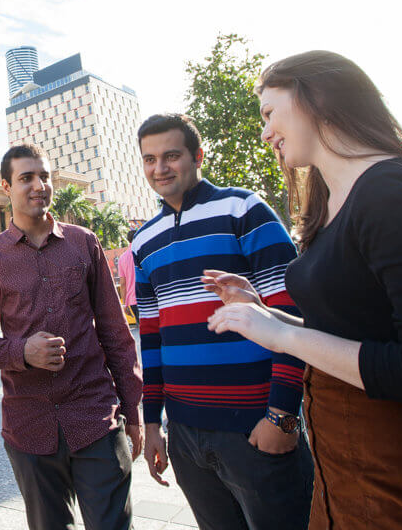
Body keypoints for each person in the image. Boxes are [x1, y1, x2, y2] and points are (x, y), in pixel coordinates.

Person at [204, 51, 402, 529]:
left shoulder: (392, 192)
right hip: (343, 478)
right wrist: (265, 314)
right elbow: (351, 331)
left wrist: (281, 336)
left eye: (269, 113)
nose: (265, 133)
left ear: (317, 96)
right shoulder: (330, 203)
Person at [134, 113, 312, 530]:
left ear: (198, 156)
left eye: (171, 156)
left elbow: (296, 315)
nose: (159, 168)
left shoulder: (244, 209)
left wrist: (283, 416)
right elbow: (152, 339)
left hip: (257, 428)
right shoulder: (143, 241)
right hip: (186, 437)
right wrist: (153, 423)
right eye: (149, 159)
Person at [0, 144, 143, 530]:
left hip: (95, 418)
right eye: (26, 177)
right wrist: (22, 352)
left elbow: (116, 332)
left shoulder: (84, 243)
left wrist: (133, 411)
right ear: (5, 187)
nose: (38, 186)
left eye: (44, 176)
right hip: (29, 426)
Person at [114, 229, 137, 324]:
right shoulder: (144, 251)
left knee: (145, 330)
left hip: (133, 300)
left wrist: (125, 304)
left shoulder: (122, 258)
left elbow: (123, 283)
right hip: (150, 297)